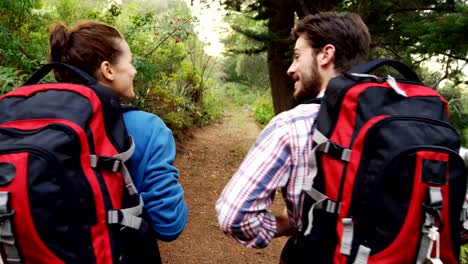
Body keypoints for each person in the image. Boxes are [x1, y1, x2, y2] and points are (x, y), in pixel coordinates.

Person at [215, 11, 370, 255]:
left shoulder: (293, 125)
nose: (290, 69)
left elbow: (234, 215)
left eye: (298, 57)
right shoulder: (401, 124)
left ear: (326, 55)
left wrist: (288, 224)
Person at [48, 20, 188, 259]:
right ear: (108, 69)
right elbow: (169, 224)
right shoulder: (148, 128)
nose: (134, 70)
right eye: (130, 61)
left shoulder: (37, 125)